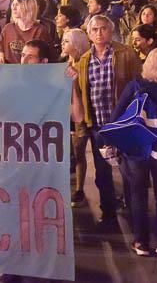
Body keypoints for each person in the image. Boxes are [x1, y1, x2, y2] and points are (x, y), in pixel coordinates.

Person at [73, 15, 141, 228]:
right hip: (98, 126)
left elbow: (138, 84)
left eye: (103, 29)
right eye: (95, 30)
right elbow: (82, 91)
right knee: (102, 172)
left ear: (111, 31)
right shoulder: (83, 61)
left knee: (127, 170)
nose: (99, 33)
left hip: (122, 124)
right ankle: (108, 212)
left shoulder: (125, 54)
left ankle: (132, 209)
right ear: (89, 34)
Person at [111, 48, 157, 256]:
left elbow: (117, 115)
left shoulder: (135, 86)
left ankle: (141, 242)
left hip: (137, 148)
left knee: (138, 194)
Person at [61, 28, 92, 208]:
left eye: (67, 41)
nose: (63, 44)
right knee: (69, 153)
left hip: (81, 114)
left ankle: (79, 189)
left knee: (79, 151)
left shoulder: (84, 64)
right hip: (65, 113)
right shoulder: (63, 62)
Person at [0, 0, 51, 64]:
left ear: (28, 6)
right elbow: (1, 52)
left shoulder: (40, 31)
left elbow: (46, 58)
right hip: (10, 72)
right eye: (13, 4)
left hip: (31, 71)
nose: (14, 8)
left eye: (17, 5)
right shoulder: (7, 28)